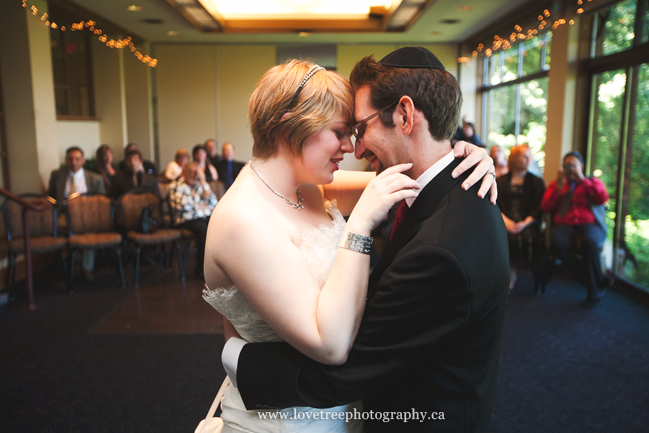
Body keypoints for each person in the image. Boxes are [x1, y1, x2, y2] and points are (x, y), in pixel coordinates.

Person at [207, 49, 506, 433]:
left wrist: (463, 153)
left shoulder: (309, 190)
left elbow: (414, 181)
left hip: (362, 403)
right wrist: (359, 224)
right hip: (288, 417)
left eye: (356, 129)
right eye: (340, 132)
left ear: (404, 115)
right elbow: (329, 345)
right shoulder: (243, 219)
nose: (353, 148)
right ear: (290, 127)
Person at [541, 150, 610, 307]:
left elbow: (601, 198)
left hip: (589, 225)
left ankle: (594, 293)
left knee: (590, 241)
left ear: (582, 166)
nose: (570, 168)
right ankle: (594, 280)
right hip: (564, 226)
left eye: (574, 165)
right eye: (568, 165)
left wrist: (582, 179)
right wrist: (558, 188)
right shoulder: (557, 184)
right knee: (557, 241)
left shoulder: (592, 182)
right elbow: (545, 207)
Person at [47, 146, 105, 281]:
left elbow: (102, 201)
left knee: (89, 232)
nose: (74, 162)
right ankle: (73, 260)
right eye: (70, 159)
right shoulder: (57, 176)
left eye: (77, 159)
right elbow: (50, 196)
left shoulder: (95, 178)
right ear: (66, 160)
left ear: (83, 160)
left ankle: (86, 268)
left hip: (87, 215)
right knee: (59, 227)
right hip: (65, 214)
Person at [496, 144, 546, 293]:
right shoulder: (501, 181)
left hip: (528, 224)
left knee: (533, 240)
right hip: (504, 222)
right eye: (524, 156)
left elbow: (538, 209)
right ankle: (508, 273)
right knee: (502, 238)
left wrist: (523, 224)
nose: (528, 159)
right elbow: (494, 203)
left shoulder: (537, 182)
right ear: (514, 158)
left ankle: (537, 278)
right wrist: (505, 221)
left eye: (529, 156)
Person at [168, 162, 217, 276]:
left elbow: (214, 203)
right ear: (183, 173)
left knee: (222, 227)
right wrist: (202, 205)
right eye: (190, 171)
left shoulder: (200, 185)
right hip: (186, 219)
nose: (193, 174)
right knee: (205, 231)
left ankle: (219, 268)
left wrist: (204, 182)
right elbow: (182, 206)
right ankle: (201, 269)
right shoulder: (175, 186)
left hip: (202, 217)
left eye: (196, 172)